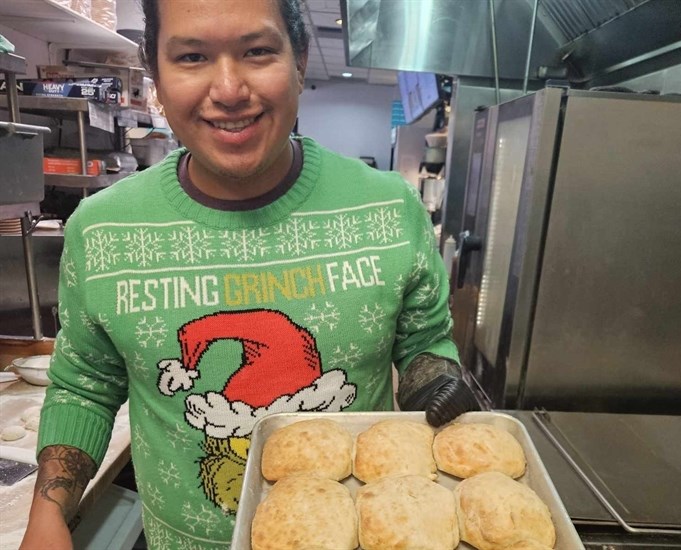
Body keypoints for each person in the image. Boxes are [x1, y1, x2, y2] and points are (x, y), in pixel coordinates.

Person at [20, 0, 480, 548]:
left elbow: (424, 342)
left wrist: (439, 381)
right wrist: (47, 516)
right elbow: (84, 386)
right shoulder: (102, 230)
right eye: (192, 56)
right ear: (157, 76)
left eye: (257, 51)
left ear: (300, 59)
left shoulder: (388, 209)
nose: (230, 88)